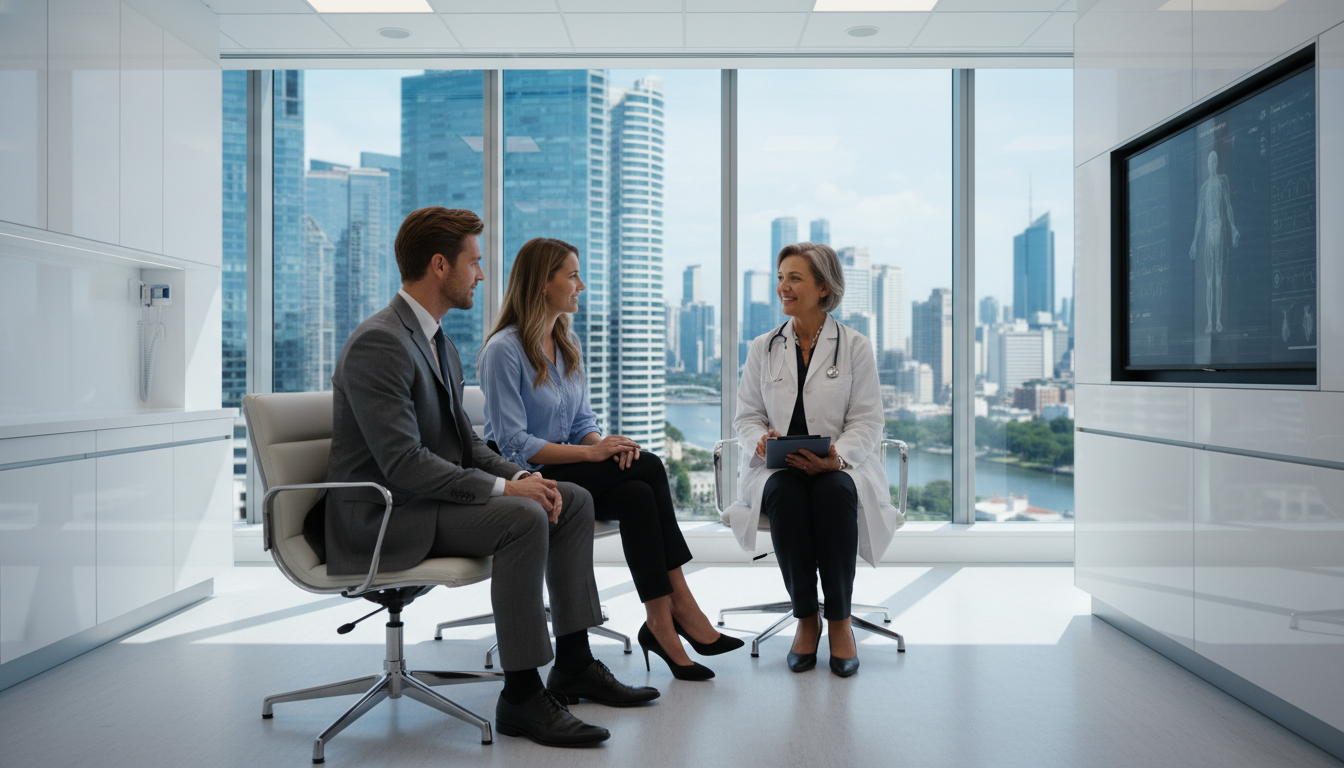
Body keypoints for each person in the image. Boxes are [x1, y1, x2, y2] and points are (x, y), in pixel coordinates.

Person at [323, 208, 657, 749]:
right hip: (383, 517)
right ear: (439, 265)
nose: (481, 275)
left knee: (566, 498)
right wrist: (508, 490)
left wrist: (527, 477)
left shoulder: (437, 343)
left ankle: (572, 663)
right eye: (474, 262)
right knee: (522, 517)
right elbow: (404, 463)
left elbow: (468, 447)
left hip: (424, 502)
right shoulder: (380, 342)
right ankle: (522, 695)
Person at [478, 237, 744, 681]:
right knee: (652, 466)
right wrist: (594, 452)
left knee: (639, 490)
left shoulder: (566, 344)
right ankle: (681, 603)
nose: (580, 285)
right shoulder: (503, 350)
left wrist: (603, 446)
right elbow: (512, 444)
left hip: (575, 470)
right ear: (544, 283)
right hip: (531, 477)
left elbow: (583, 419)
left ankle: (661, 623)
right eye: (572, 275)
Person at [724, 242, 903, 677]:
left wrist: (837, 458)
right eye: (781, 277)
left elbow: (867, 420)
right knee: (785, 493)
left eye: (795, 278)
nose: (783, 286)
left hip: (839, 465)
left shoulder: (855, 346)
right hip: (780, 467)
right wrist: (760, 440)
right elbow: (746, 416)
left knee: (833, 492)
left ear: (823, 288)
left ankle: (839, 621)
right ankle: (807, 618)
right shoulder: (763, 347)